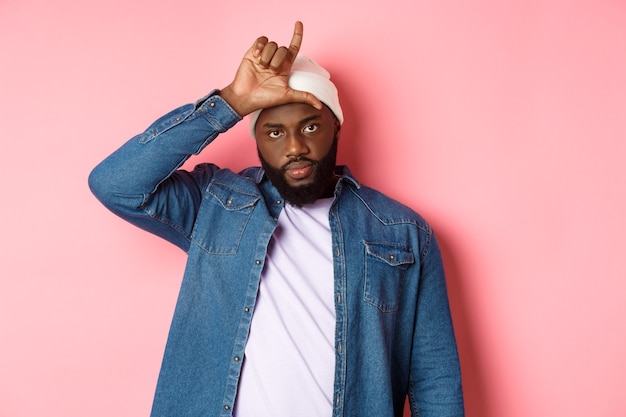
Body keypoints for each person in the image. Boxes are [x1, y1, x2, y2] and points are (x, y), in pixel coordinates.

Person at [89, 21, 464, 417]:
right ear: (256, 138)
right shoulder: (217, 204)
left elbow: (433, 376)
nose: (295, 147)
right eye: (274, 133)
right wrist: (233, 101)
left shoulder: (402, 233)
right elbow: (116, 184)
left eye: (310, 126)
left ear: (335, 125)